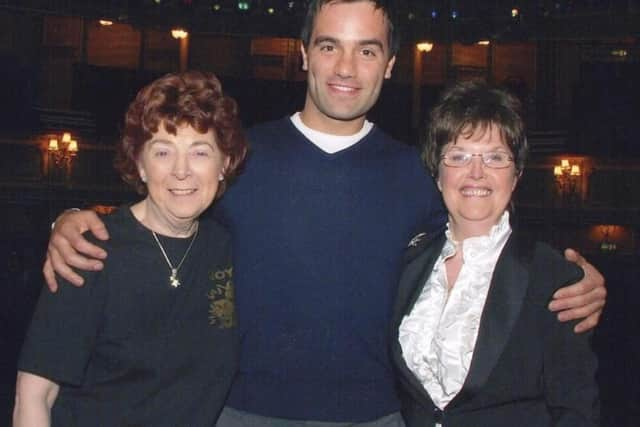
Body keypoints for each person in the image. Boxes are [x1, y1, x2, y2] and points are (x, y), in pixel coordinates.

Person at [42, 1, 606, 425]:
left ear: (388, 65)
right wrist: (70, 217)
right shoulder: (240, 158)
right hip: (241, 412)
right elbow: (163, 209)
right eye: (330, 45)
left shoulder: (419, 175)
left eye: (367, 50)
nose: (346, 66)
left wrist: (571, 282)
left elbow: (483, 247)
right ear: (304, 52)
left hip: (378, 417)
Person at [13, 71, 247, 426]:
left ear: (224, 164)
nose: (181, 171)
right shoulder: (88, 250)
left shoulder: (227, 248)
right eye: (163, 152)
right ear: (139, 163)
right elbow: (33, 397)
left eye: (200, 152)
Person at [391, 80, 599, 426]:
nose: (476, 172)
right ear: (437, 172)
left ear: (516, 174)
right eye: (458, 156)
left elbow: (575, 409)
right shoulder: (408, 263)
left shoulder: (554, 276)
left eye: (495, 157)